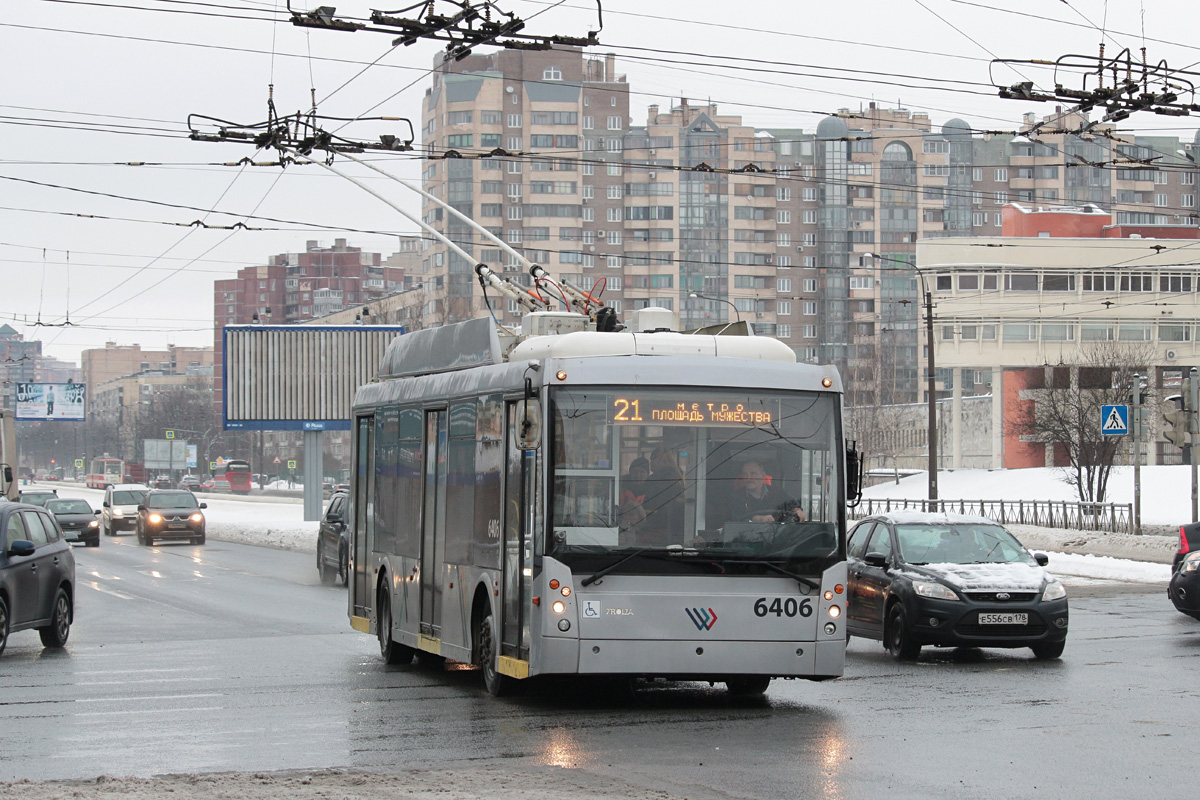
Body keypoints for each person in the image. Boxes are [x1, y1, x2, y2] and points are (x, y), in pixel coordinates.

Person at [720, 460, 807, 524]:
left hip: (777, 539)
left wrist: (797, 510)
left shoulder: (777, 492)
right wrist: (759, 519)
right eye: (745, 474)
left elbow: (793, 504)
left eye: (753, 474)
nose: (749, 478)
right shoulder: (735, 497)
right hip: (746, 540)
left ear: (763, 475)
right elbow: (736, 517)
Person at [638, 447, 687, 545]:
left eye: (653, 460)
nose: (651, 463)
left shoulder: (662, 480)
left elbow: (656, 503)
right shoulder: (676, 478)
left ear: (664, 460)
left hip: (660, 523)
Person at [617, 457, 651, 542]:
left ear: (647, 474)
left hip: (645, 530)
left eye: (642, 472)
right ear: (630, 472)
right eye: (635, 471)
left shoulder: (653, 490)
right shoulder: (619, 488)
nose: (638, 475)